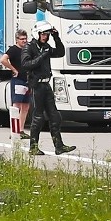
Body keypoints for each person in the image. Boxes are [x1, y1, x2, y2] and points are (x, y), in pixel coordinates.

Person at [21, 20, 76, 156]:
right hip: (36, 86)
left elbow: (60, 52)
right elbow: (26, 64)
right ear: (37, 33)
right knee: (38, 117)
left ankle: (59, 146)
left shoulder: (46, 46)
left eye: (47, 34)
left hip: (46, 84)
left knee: (55, 116)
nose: (45, 37)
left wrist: (56, 38)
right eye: (43, 34)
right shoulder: (29, 47)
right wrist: (42, 56)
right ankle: (33, 147)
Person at [0, 29, 31, 140]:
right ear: (17, 40)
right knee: (16, 105)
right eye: (22, 39)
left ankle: (21, 129)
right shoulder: (13, 50)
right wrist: (13, 69)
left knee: (26, 106)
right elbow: (3, 59)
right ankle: (14, 130)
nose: (24, 41)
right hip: (18, 80)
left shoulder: (28, 49)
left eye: (25, 39)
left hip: (27, 81)